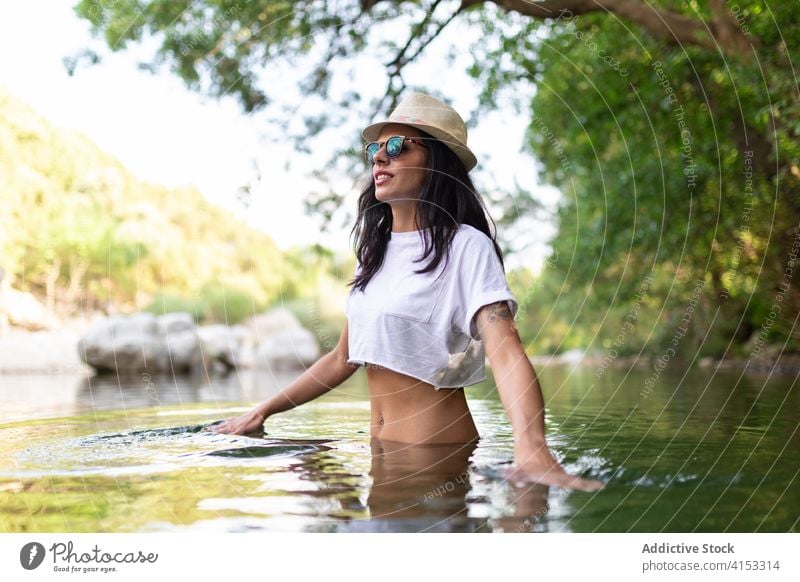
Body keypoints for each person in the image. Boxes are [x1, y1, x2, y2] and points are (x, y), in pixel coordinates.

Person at [207, 92, 603, 492]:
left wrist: (532, 448)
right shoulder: (374, 255)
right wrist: (262, 413)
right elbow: (343, 358)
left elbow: (505, 347)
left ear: (436, 164)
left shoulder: (465, 245)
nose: (380, 157)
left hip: (434, 455)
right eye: (376, 149)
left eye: (397, 147)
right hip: (380, 451)